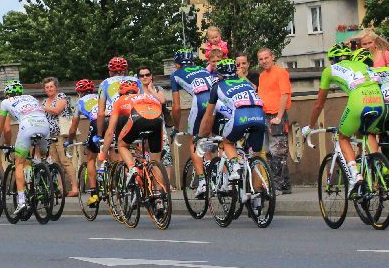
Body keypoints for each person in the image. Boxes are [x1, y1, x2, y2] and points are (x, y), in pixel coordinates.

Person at [302, 43, 385, 188]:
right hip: (379, 100)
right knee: (367, 133)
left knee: (342, 137)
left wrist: (310, 127)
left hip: (359, 101)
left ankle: (355, 174)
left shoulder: (329, 70)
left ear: (332, 59)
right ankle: (379, 166)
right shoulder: (361, 65)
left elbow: (319, 104)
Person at [198, 59, 266, 193]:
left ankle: (235, 166)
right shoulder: (246, 82)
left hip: (241, 116)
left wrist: (200, 136)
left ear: (220, 74)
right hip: (260, 116)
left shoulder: (217, 86)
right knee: (255, 159)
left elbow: (208, 114)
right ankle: (257, 195)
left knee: (227, 142)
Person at [0, 79, 51, 217]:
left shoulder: (6, 102)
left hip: (27, 126)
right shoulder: (31, 98)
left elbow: (1, 126)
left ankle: (21, 201)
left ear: (8, 94)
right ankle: (44, 175)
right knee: (41, 154)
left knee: (19, 163)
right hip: (44, 125)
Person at [169, 47, 218, 198]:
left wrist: (176, 128)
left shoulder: (175, 75)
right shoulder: (204, 70)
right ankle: (216, 175)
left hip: (201, 102)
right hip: (218, 102)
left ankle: (203, 182)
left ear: (177, 64)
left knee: (194, 141)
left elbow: (176, 107)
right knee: (208, 138)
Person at [98, 78, 165, 186]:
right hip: (158, 121)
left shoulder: (120, 100)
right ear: (138, 91)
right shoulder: (148, 96)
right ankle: (159, 199)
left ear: (120, 93)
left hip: (138, 119)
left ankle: (132, 168)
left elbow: (110, 131)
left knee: (122, 145)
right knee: (156, 163)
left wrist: (103, 153)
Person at [256, 48, 293, 194]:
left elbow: (284, 94)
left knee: (278, 152)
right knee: (270, 153)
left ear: (272, 57)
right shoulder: (262, 76)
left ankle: (278, 186)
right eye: (261, 59)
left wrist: (279, 116)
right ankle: (283, 185)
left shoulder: (280, 72)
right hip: (265, 115)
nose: (264, 61)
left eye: (266, 58)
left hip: (277, 116)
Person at [67, 79, 101, 206]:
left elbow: (73, 129)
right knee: (114, 151)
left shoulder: (79, 102)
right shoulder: (100, 97)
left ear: (79, 92)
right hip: (113, 121)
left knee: (91, 157)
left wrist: (69, 142)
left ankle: (94, 194)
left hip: (97, 123)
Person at [42, 77, 78, 197]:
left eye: (51, 86)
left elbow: (57, 110)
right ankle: (62, 189)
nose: (49, 89)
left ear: (56, 87)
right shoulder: (44, 101)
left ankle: (74, 188)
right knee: (55, 163)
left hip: (61, 134)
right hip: (50, 135)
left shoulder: (61, 97)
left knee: (65, 161)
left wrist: (43, 108)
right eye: (47, 87)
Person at [96, 56, 142, 141]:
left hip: (116, 117)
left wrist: (99, 134)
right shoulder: (136, 80)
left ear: (110, 72)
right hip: (136, 116)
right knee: (139, 145)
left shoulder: (105, 83)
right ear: (126, 70)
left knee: (115, 148)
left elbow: (100, 113)